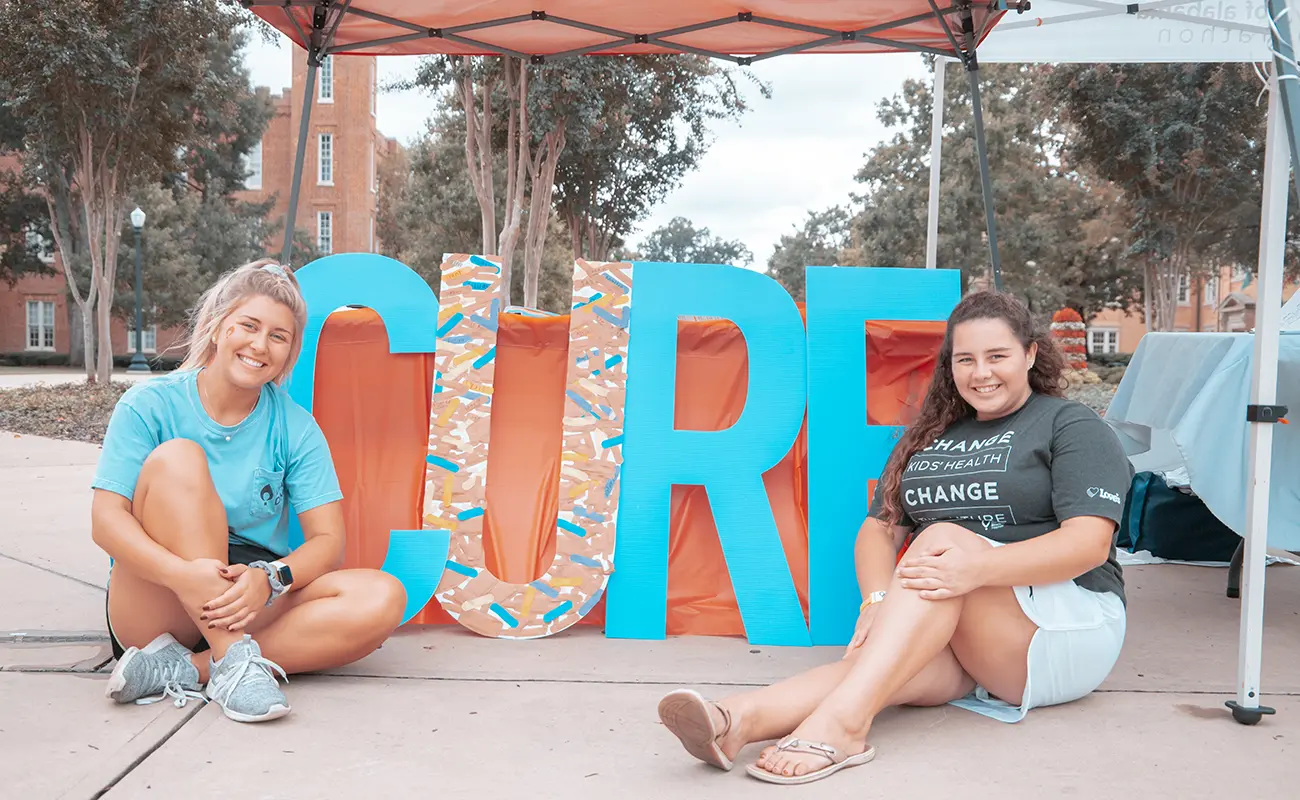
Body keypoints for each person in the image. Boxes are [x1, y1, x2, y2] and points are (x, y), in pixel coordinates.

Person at [656, 290, 1132, 785]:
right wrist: (877, 602)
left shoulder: (1069, 424)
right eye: (965, 359)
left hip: (1065, 626)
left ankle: (844, 727)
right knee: (883, 665)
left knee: (940, 541)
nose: (981, 373)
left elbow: (1088, 544)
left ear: (1030, 354)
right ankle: (736, 719)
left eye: (997, 356)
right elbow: (879, 530)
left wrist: (978, 568)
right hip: (972, 631)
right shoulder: (931, 435)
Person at [92, 258, 407, 723]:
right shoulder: (149, 404)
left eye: (278, 337)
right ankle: (233, 658)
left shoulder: (296, 426)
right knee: (180, 458)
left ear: (289, 353)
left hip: (247, 593)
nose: (260, 345)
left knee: (383, 596)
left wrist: (270, 578)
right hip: (159, 598)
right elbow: (105, 520)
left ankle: (187, 669)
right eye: (249, 325)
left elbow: (328, 543)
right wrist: (183, 575)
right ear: (219, 327)